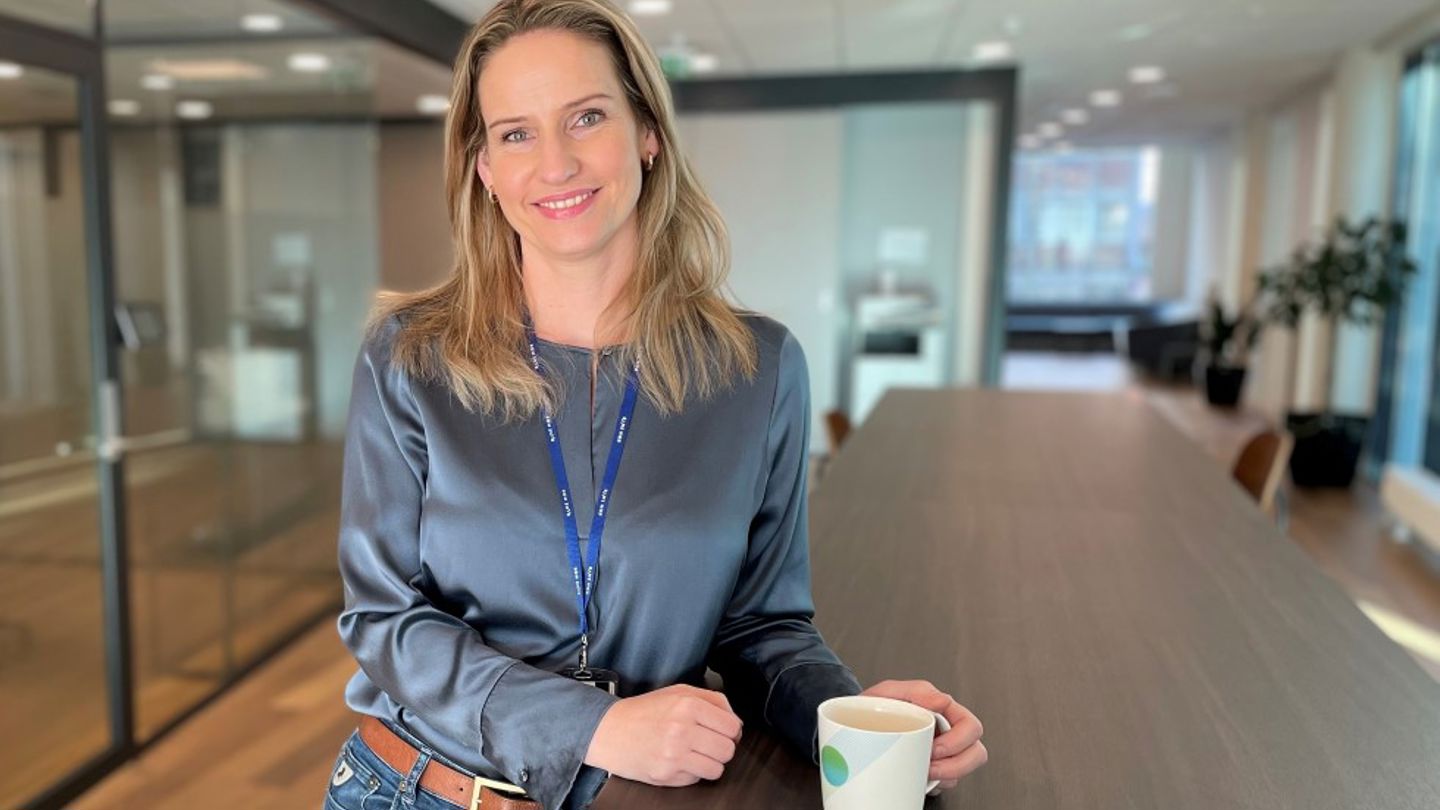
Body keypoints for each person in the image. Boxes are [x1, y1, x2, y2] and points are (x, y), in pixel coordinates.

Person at [324, 1, 987, 809]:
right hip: (416, 789)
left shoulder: (758, 368)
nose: (556, 163)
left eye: (587, 117)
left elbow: (760, 628)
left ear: (647, 133)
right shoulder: (408, 356)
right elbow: (385, 618)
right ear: (485, 168)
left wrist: (854, 725)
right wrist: (591, 726)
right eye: (517, 133)